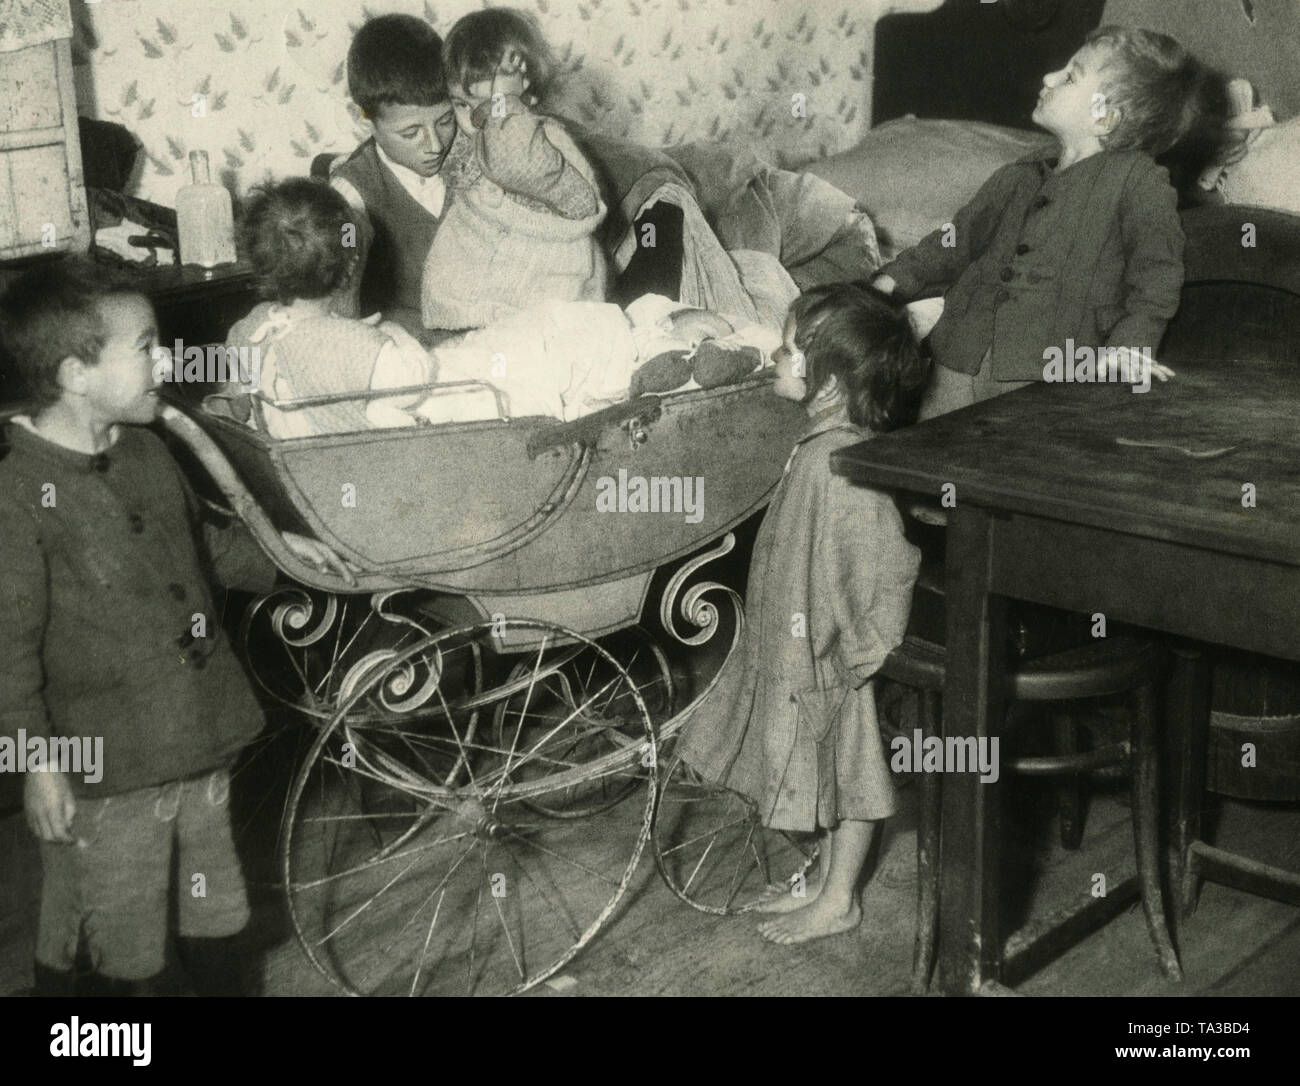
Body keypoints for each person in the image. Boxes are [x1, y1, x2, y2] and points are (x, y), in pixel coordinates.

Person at [0, 260, 352, 995]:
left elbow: (207, 549)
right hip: (105, 766)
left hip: (194, 734)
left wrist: (288, 557)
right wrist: (35, 763)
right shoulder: (18, 499)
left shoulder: (148, 450)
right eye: (145, 345)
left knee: (213, 909)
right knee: (117, 935)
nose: (167, 359)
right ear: (75, 373)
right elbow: (8, 654)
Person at [677, 283, 930, 945]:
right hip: (799, 646)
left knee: (851, 781)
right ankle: (824, 882)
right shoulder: (819, 444)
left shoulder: (840, 464)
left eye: (789, 349)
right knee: (822, 773)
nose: (777, 357)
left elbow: (886, 559)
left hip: (828, 659)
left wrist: (859, 648)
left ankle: (841, 897)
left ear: (829, 383)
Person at [873, 26, 1218, 415]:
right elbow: (958, 238)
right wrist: (891, 281)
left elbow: (1156, 276)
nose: (1048, 78)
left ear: (1105, 117)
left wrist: (1128, 348)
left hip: (1051, 369)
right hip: (959, 352)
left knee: (1012, 467)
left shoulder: (1139, 183)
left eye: (1070, 75)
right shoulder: (1019, 173)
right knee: (931, 459)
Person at [420, 7, 609, 332]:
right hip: (480, 286)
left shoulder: (546, 139)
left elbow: (520, 166)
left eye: (492, 105)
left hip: (545, 274)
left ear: (529, 94)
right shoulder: (466, 141)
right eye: (461, 104)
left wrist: (508, 111)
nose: (472, 119)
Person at [225, 177, 435, 439]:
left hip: (276, 459)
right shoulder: (359, 344)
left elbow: (236, 395)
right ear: (349, 269)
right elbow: (413, 384)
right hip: (339, 466)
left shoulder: (250, 325)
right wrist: (394, 333)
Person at [330, 13, 459, 338]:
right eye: (411, 131)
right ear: (363, 120)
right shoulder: (350, 195)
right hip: (407, 351)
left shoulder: (469, 152)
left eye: (445, 121)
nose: (435, 145)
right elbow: (341, 279)